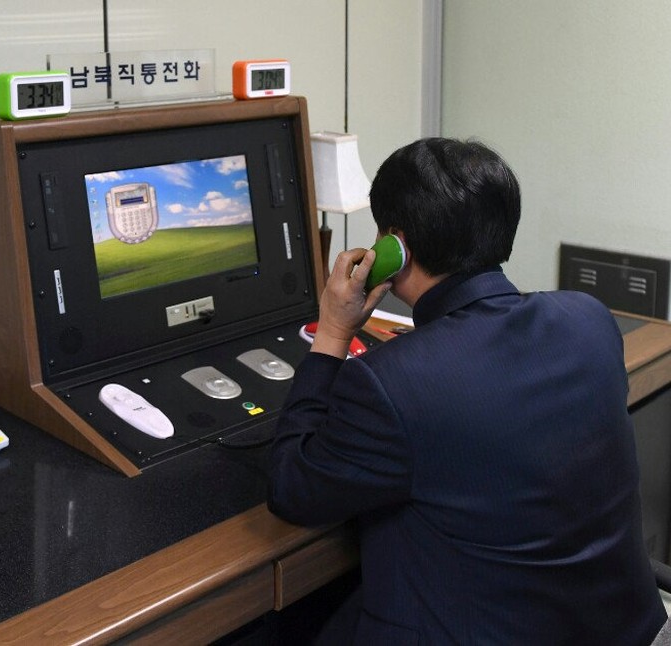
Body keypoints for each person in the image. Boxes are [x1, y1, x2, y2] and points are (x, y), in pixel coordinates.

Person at [268, 137, 669, 644]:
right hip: (626, 629)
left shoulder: (390, 382)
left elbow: (292, 489)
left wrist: (331, 334)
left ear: (396, 246)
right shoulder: (589, 318)